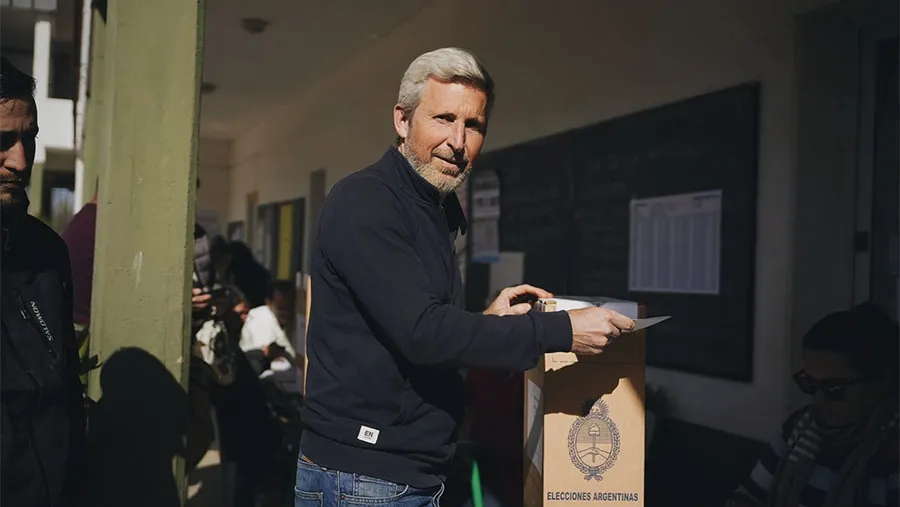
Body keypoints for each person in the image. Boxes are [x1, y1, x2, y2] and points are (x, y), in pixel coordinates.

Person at [296, 47, 635, 507]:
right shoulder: (366, 202)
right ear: (402, 120)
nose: (458, 141)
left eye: (473, 125)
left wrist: (488, 320)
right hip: (364, 477)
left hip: (409, 470)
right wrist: (562, 331)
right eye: (443, 119)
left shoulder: (434, 207)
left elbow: (418, 324)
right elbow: (422, 334)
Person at [0, 57, 87, 506]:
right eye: (2, 140)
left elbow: (65, 396)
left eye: (28, 139)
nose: (20, 160)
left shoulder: (49, 253)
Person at [727, 303, 899, 507]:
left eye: (833, 388)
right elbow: (751, 495)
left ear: (881, 382)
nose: (817, 402)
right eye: (809, 384)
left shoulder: (892, 452)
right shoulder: (799, 427)